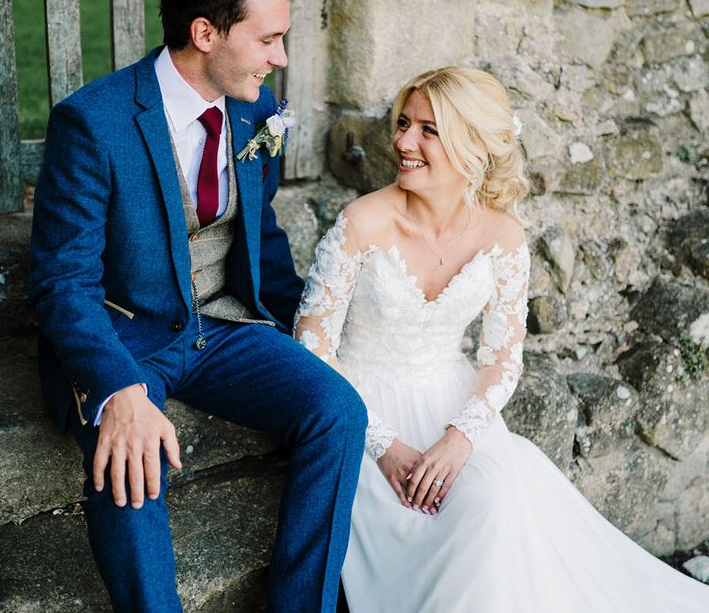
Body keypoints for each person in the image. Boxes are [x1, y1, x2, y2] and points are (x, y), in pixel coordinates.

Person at [28, 0, 366, 612]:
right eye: (268, 39)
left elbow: (260, 236)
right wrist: (118, 387)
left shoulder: (257, 113)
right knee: (130, 456)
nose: (281, 58)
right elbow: (63, 283)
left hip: (226, 325)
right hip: (128, 340)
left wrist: (311, 330)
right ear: (204, 32)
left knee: (338, 409)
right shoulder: (93, 123)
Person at [294, 66, 709, 612]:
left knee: (492, 503)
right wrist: (384, 446)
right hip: (360, 410)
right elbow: (311, 347)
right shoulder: (360, 223)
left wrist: (461, 437)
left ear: (472, 145)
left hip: (455, 406)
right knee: (421, 526)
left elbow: (501, 360)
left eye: (427, 130)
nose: (402, 142)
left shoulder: (503, 236)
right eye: (403, 123)